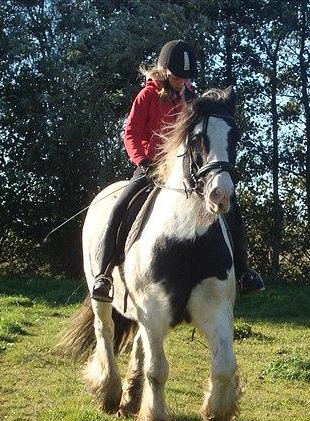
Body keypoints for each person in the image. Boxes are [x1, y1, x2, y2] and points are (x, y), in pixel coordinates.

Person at [91, 39, 264, 302]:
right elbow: (131, 133)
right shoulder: (147, 96)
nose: (182, 82)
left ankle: (243, 272)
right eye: (177, 76)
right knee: (120, 207)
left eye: (186, 78)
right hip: (152, 167)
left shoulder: (192, 97)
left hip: (186, 169)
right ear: (163, 70)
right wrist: (142, 160)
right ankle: (103, 276)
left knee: (233, 209)